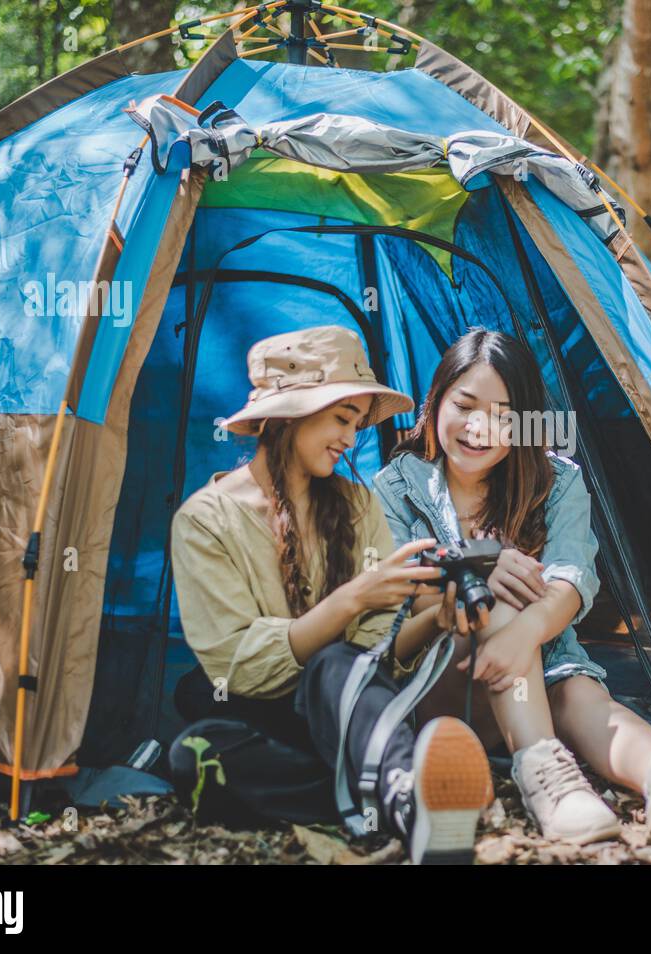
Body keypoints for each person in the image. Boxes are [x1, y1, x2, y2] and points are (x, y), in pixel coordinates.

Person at [374, 328, 651, 845]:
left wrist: (525, 633)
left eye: (502, 415)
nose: (480, 428)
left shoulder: (557, 482)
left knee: (581, 693)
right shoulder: (395, 486)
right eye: (465, 406)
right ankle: (553, 788)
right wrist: (472, 571)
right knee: (490, 604)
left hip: (539, 667)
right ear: (436, 404)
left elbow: (573, 578)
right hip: (445, 680)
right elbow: (394, 593)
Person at [167, 325, 493, 864]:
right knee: (195, 753)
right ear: (290, 413)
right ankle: (387, 792)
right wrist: (351, 599)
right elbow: (236, 668)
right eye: (342, 418)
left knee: (337, 664)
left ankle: (410, 802)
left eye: (359, 424)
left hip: (350, 708)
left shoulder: (358, 507)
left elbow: (376, 661)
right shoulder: (205, 521)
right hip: (275, 715)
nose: (352, 438)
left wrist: (436, 618)